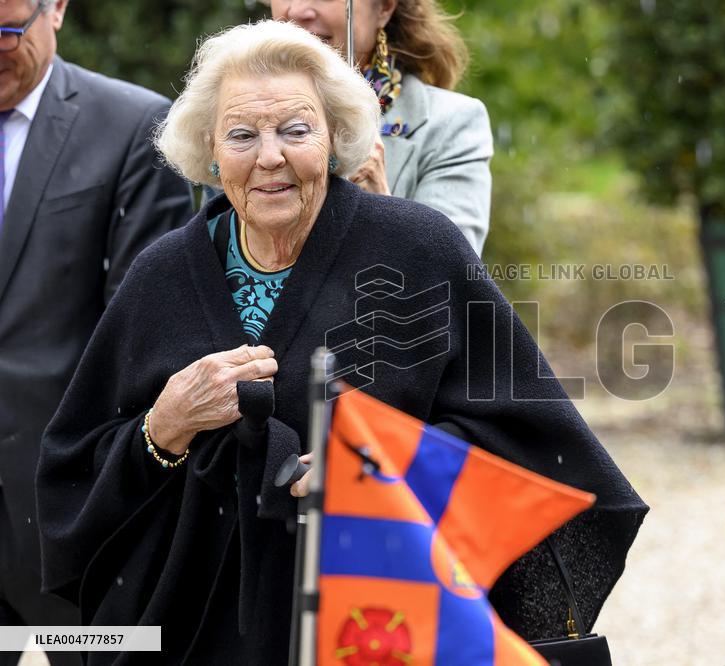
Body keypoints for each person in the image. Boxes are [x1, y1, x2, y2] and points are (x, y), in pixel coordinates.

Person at [35, 20, 645, 665]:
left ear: (333, 140)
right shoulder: (161, 276)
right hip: (199, 638)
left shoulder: (418, 251)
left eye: (295, 130)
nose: (269, 155)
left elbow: (537, 447)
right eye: (242, 135)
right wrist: (162, 429)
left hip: (379, 628)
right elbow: (71, 471)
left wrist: (373, 468)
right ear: (211, 153)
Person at [0, 0, 192, 663]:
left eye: (6, 30)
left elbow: (144, 338)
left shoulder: (134, 126)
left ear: (56, 8)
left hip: (66, 510)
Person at [267, 0, 493, 255]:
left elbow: (449, 282)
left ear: (384, 8)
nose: (297, 11)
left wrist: (380, 209)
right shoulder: (235, 116)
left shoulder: (452, 124)